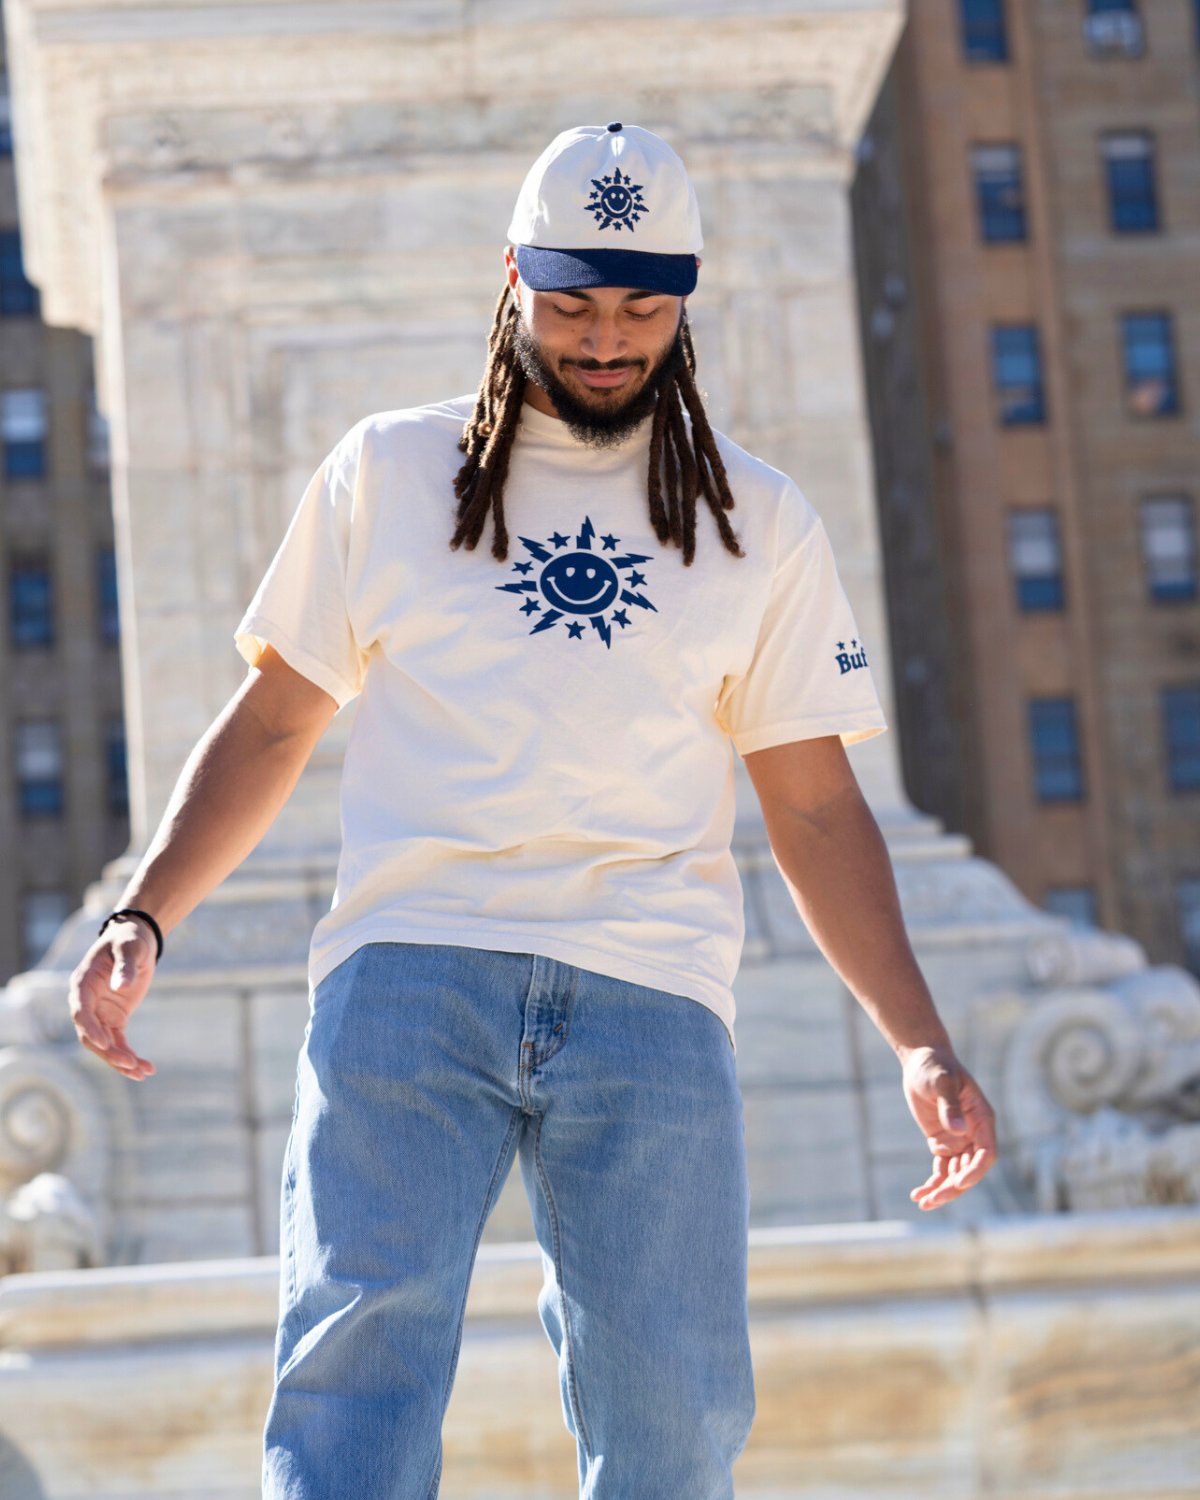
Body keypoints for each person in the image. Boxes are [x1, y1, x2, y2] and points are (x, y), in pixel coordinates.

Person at [68, 124, 997, 1499]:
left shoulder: (759, 520)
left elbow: (811, 809)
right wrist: (149, 909)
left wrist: (919, 1039)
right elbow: (274, 722)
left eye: (641, 306)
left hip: (652, 999)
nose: (608, 340)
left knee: (674, 1424)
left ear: (686, 297)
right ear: (511, 280)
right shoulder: (388, 473)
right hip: (408, 980)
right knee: (349, 1398)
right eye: (570, 304)